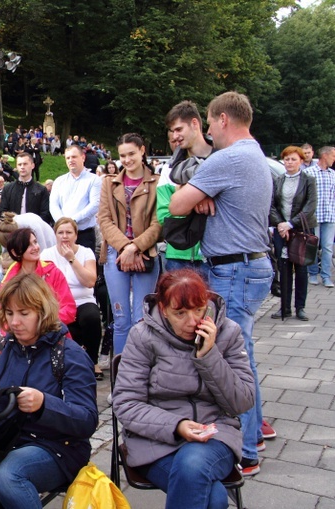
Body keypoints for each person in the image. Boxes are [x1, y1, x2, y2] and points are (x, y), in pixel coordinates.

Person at [169, 91, 275, 475]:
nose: (210, 130)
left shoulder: (229, 158)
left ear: (223, 119)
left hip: (234, 269)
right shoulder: (255, 153)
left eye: (211, 123)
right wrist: (204, 195)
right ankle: (256, 435)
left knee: (232, 360)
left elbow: (176, 204)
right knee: (243, 353)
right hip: (252, 265)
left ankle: (245, 451)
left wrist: (196, 196)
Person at [0, 273, 98, 509]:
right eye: (10, 313)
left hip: (58, 447)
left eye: (24, 314)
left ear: (42, 313)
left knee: (7, 477)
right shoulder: (3, 348)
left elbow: (87, 420)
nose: (14, 322)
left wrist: (44, 404)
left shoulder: (69, 354)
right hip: (6, 440)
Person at [113, 269, 255, 509]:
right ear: (164, 310)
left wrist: (209, 356)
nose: (192, 322)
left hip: (215, 434)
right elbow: (126, 404)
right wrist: (176, 426)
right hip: (155, 440)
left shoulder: (228, 333)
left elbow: (242, 402)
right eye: (180, 313)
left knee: (192, 466)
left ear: (207, 306)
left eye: (199, 310)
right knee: (215, 499)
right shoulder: (142, 336)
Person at [98, 133, 161, 356]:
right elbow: (104, 220)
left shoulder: (156, 182)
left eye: (131, 154)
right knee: (121, 319)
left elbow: (158, 222)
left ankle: (142, 374)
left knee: (141, 319)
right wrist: (126, 247)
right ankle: (121, 379)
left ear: (142, 151)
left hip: (145, 252)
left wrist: (136, 247)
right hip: (117, 252)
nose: (126, 159)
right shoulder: (109, 183)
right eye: (122, 155)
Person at [41, 217, 103, 379]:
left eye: (69, 232)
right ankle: (69, 362)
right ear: (55, 235)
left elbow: (90, 281)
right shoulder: (47, 254)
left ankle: (93, 360)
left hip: (83, 300)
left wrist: (72, 259)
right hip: (59, 302)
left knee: (91, 317)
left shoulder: (85, 252)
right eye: (60, 232)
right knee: (64, 326)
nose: (65, 236)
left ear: (76, 235)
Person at [158, 101, 214, 274]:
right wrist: (196, 202)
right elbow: (163, 214)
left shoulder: (221, 158)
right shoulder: (170, 168)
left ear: (195, 124)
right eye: (172, 131)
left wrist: (186, 199)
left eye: (179, 129)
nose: (175, 136)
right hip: (178, 256)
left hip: (214, 256)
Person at [269, 146, 318, 321]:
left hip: (301, 230)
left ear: (301, 161)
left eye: (293, 159)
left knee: (301, 268)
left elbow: (310, 207)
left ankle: (300, 307)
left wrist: (290, 224)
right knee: (284, 267)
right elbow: (272, 205)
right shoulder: (278, 179)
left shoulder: (309, 180)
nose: (289, 162)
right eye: (287, 159)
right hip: (282, 230)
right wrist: (281, 224)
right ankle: (285, 307)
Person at [2, 228, 76, 326]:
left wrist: (41, 323)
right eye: (29, 245)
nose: (35, 247)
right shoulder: (10, 277)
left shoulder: (53, 272)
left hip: (49, 331)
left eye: (35, 242)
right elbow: (3, 313)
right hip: (18, 332)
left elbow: (69, 308)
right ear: (15, 252)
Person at [49, 145, 102, 250]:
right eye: (68, 158)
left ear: (83, 157)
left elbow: (94, 205)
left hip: (84, 235)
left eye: (74, 157)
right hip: (63, 235)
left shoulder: (94, 180)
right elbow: (53, 205)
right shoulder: (59, 181)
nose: (70, 160)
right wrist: (63, 223)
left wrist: (73, 221)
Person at [305, 146, 335, 288]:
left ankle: (326, 276)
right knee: (313, 246)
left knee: (328, 248)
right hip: (314, 217)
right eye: (333, 156)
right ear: (325, 155)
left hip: (329, 215)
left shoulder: (332, 174)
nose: (334, 159)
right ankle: (312, 274)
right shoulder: (308, 173)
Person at [0, 153, 52, 225]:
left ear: (32, 165)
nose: (22, 167)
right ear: (16, 167)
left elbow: (45, 214)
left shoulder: (42, 190)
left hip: (35, 230)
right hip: (13, 230)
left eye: (25, 164)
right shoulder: (7, 189)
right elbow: (2, 212)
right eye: (19, 164)